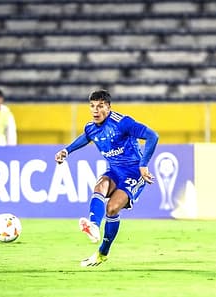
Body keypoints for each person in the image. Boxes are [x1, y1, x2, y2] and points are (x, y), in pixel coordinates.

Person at [54, 89, 159, 267]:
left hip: (134, 172)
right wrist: (66, 150)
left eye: (100, 106)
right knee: (100, 185)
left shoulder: (122, 123)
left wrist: (143, 165)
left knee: (111, 209)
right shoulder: (91, 127)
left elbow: (152, 136)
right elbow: (86, 137)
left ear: (108, 107)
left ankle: (103, 252)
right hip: (114, 171)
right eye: (92, 106)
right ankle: (94, 225)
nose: (96, 110)